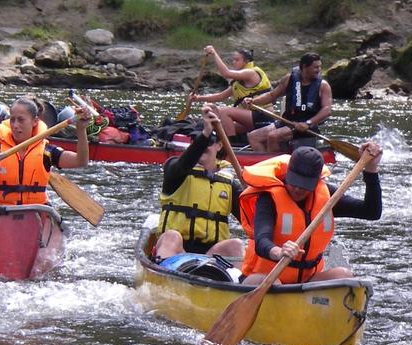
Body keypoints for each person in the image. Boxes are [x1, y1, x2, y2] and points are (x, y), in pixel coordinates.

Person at [239, 144, 383, 285]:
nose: (297, 189)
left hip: (306, 281)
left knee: (343, 275)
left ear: (316, 181)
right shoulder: (268, 198)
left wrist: (371, 170)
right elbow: (261, 241)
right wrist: (278, 251)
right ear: (288, 173)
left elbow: (371, 212)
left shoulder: (327, 197)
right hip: (265, 277)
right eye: (294, 182)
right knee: (274, 284)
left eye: (304, 185)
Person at [153, 104, 246, 275]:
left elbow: (249, 220)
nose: (202, 146)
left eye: (208, 141)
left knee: (236, 245)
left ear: (219, 145)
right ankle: (166, 277)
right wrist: (205, 135)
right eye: (197, 141)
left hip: (213, 257)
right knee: (171, 236)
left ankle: (237, 284)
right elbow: (185, 163)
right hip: (178, 253)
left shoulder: (229, 182)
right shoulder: (175, 170)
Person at [0, 96, 91, 205]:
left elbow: (81, 161)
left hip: (36, 211)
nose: (15, 125)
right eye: (12, 119)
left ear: (35, 121)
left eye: (21, 120)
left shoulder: (46, 152)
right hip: (3, 210)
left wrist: (81, 130)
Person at [245, 53, 333, 153]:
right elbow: (272, 95)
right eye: (315, 67)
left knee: (273, 136)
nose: (319, 70)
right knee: (253, 137)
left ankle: (276, 163)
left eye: (320, 67)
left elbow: (327, 110)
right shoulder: (289, 79)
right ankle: (263, 162)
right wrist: (253, 101)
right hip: (287, 122)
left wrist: (308, 123)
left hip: (306, 127)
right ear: (305, 67)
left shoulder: (323, 85)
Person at [188, 46, 272, 140]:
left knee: (224, 111)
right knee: (218, 125)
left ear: (246, 62)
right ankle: (222, 143)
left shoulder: (251, 73)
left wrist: (214, 54)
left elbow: (226, 73)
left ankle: (230, 146)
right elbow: (220, 96)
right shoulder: (238, 83)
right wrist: (198, 98)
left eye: (237, 60)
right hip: (252, 118)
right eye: (233, 60)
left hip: (264, 116)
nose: (233, 62)